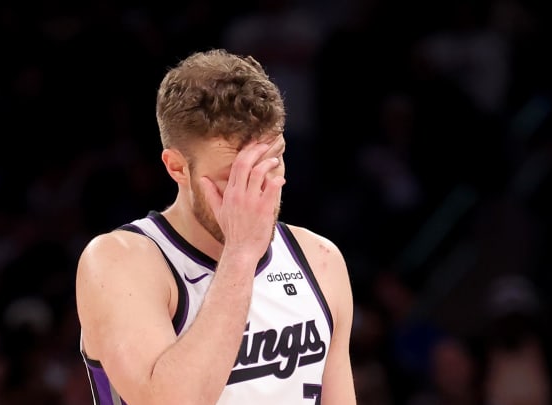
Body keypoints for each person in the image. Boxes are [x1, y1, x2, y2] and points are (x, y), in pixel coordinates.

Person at [75, 48, 357, 404]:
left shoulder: (320, 259)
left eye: (271, 164)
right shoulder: (119, 262)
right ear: (177, 168)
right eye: (234, 178)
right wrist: (241, 253)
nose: (259, 193)